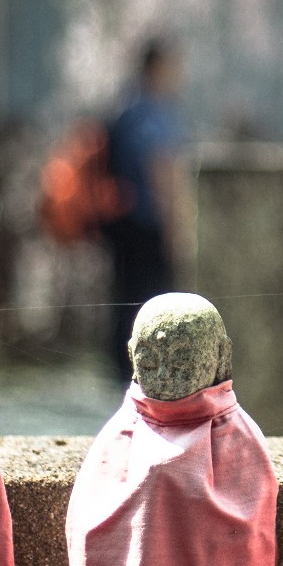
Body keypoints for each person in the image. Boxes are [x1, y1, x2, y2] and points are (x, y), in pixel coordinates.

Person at [101, 38, 191, 382]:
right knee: (150, 302)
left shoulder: (127, 108)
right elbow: (162, 170)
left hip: (123, 224)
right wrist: (176, 229)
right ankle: (142, 372)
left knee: (124, 301)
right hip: (147, 227)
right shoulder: (155, 113)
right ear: (157, 68)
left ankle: (121, 371)